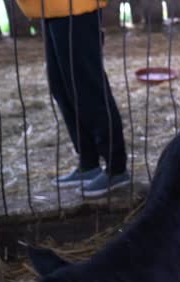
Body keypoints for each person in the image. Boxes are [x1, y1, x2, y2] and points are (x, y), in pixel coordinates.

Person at [17, 0, 129, 197]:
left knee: (87, 86)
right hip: (51, 8)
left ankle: (116, 167)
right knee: (61, 87)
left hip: (75, 6)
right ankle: (88, 162)